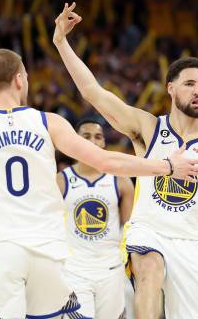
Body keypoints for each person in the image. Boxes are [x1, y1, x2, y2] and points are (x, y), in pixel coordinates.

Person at [0, 49, 198, 318]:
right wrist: (166, 165)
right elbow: (107, 162)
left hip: (3, 254)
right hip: (50, 258)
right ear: (20, 79)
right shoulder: (48, 122)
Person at [52, 3, 198, 319]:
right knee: (149, 267)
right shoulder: (149, 127)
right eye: (190, 84)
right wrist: (62, 44)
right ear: (171, 88)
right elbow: (94, 93)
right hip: (148, 231)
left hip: (192, 244)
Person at [57, 118, 134, 319]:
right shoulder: (61, 180)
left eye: (98, 136)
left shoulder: (121, 180)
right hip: (74, 268)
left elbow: (130, 230)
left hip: (111, 269)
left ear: (103, 144)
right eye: (86, 136)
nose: (92, 140)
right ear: (75, 140)